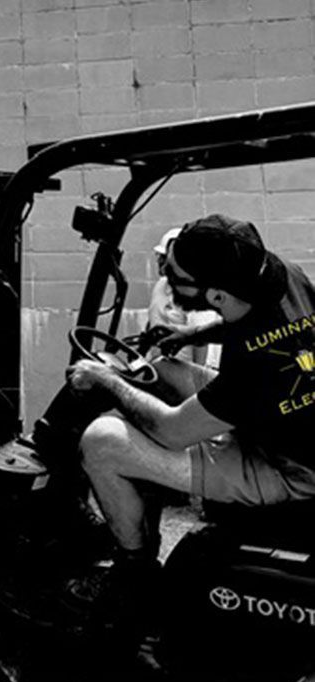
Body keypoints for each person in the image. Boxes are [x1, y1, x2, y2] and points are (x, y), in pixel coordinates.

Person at [63, 214, 315, 627]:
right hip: (288, 418)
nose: (165, 274)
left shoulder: (255, 366)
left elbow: (171, 430)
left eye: (176, 274)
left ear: (216, 294)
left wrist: (105, 379)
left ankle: (133, 570)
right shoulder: (283, 275)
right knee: (164, 370)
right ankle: (138, 510)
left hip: (292, 469)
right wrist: (192, 336)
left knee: (102, 441)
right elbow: (245, 320)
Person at [147, 226, 220, 366]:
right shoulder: (161, 285)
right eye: (159, 258)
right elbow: (154, 319)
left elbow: (202, 341)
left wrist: (198, 379)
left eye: (164, 258)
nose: (160, 263)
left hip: (185, 371)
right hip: (159, 367)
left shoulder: (195, 291)